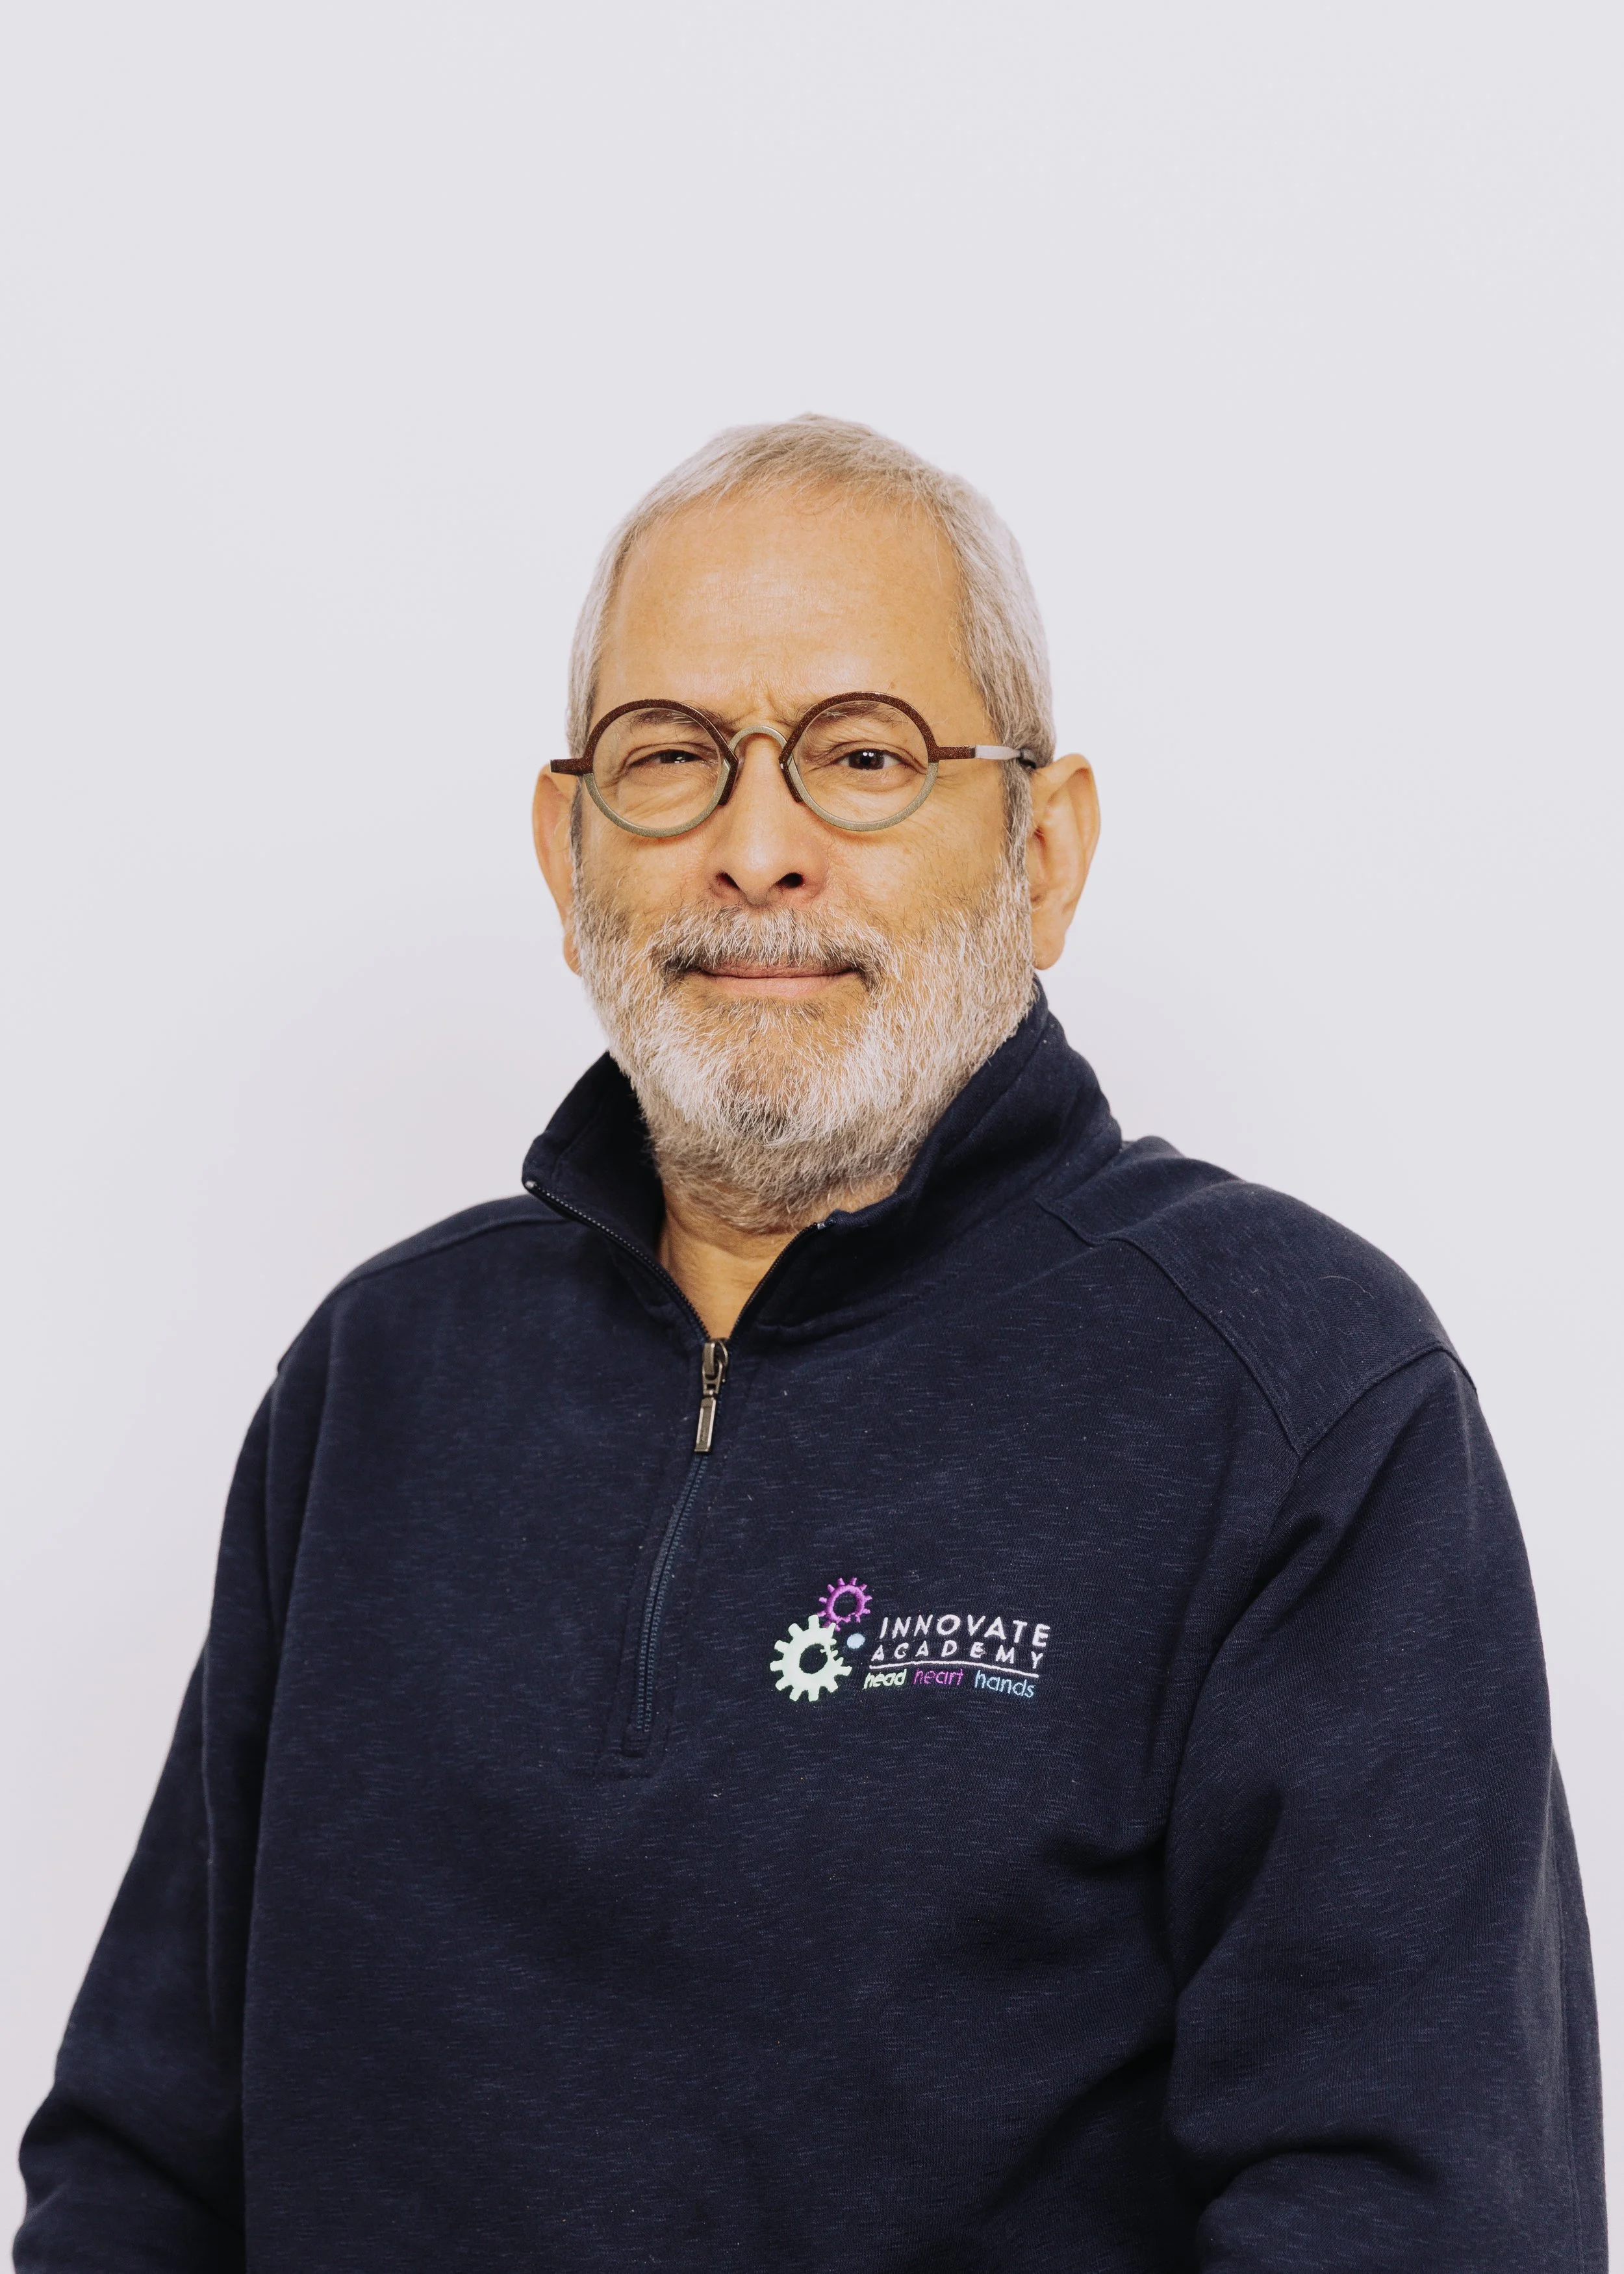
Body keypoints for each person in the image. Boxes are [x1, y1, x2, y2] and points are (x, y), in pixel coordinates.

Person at [17, 415, 1604, 2271]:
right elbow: (139, 2165)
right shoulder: (376, 1384)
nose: (755, 847)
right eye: (668, 758)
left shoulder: (1297, 1402)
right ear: (565, 847)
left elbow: (1409, 2222)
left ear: (1043, 846)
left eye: (862, 758)